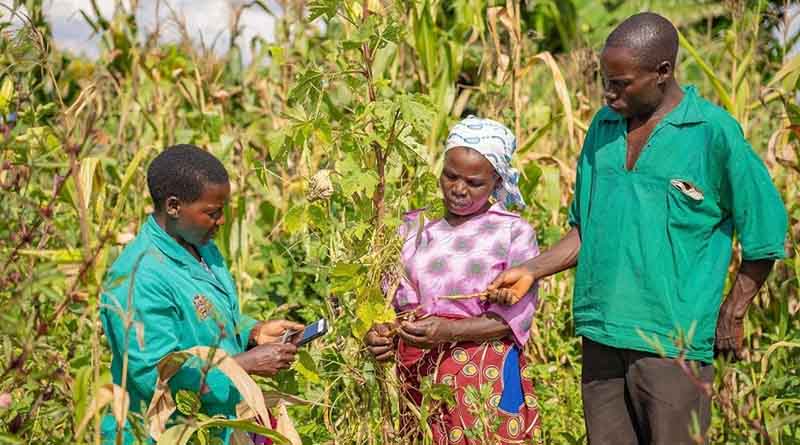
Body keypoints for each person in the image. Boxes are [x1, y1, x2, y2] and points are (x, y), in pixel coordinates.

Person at [486, 12, 788, 445]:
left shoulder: (713, 133)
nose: (609, 94)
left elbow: (766, 231)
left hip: (673, 344)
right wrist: (532, 269)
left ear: (663, 72)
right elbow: (586, 229)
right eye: (605, 81)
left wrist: (733, 311)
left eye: (621, 83)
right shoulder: (603, 129)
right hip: (601, 335)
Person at [100, 144, 304, 445]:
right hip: (169, 433)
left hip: (219, 424)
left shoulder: (200, 245)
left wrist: (254, 332)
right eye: (212, 213)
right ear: (173, 206)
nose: (221, 221)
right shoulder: (137, 277)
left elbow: (209, 315)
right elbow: (155, 378)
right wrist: (244, 364)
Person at [365, 116, 543, 444]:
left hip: (483, 378)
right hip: (418, 377)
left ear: (496, 182)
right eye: (450, 176)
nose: (458, 189)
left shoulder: (512, 232)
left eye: (474, 182)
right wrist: (380, 334)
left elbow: (514, 320)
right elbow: (387, 304)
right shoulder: (411, 227)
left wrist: (450, 331)